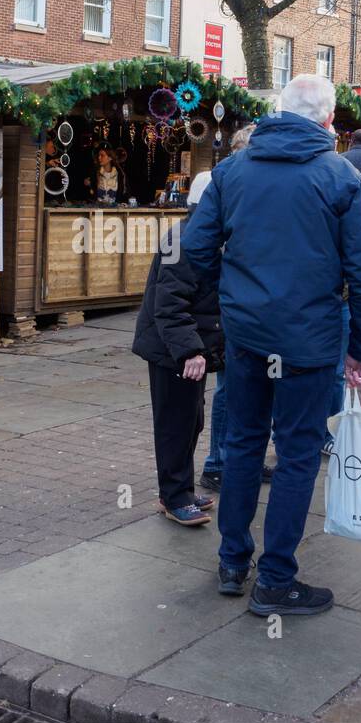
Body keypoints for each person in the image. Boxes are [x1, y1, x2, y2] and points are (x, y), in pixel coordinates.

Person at [185, 74, 361, 617]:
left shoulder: (231, 171)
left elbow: (194, 251)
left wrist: (225, 304)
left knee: (245, 444)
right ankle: (275, 579)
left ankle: (232, 562)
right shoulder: (340, 177)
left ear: (279, 110)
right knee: (297, 455)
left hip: (248, 335)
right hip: (310, 339)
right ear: (328, 120)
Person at [131, 171, 222, 526]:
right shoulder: (185, 240)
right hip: (172, 351)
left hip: (184, 347)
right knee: (175, 424)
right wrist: (188, 351)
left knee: (190, 420)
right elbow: (168, 303)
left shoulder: (200, 235)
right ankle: (173, 496)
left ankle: (180, 488)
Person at [199, 124, 275, 491]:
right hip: (231, 304)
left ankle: (246, 459)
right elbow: (202, 246)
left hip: (247, 303)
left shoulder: (242, 183)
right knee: (229, 390)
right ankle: (217, 462)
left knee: (252, 390)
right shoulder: (224, 182)